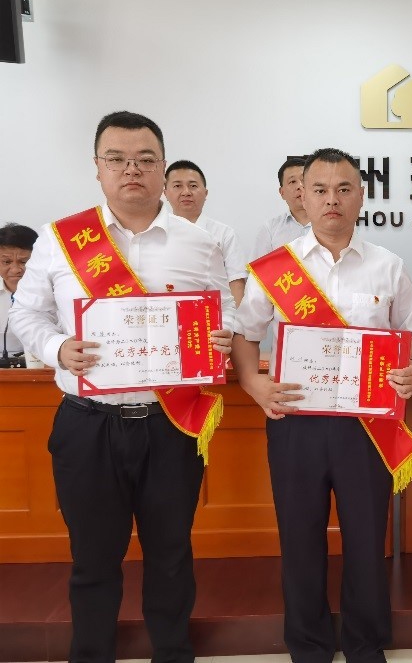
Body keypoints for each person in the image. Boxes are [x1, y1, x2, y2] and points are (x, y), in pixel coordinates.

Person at [9, 110, 235, 662]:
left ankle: (173, 652)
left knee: (171, 555)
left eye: (145, 159)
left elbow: (225, 313)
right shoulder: (61, 239)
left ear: (163, 167)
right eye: (117, 158)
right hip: (88, 424)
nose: (131, 169)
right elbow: (25, 314)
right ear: (98, 167)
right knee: (92, 558)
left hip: (171, 423)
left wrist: (222, 337)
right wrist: (56, 348)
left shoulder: (198, 243)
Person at [231, 148, 412, 663]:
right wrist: (253, 384)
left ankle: (365, 644)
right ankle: (309, 645)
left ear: (361, 196)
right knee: (300, 538)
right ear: (303, 194)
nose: (332, 199)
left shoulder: (387, 265)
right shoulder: (276, 268)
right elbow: (245, 334)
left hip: (366, 426)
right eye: (320, 189)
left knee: (366, 537)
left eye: (344, 189)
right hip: (295, 420)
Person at [165, 159, 248, 304]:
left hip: (216, 314)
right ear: (165, 193)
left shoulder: (224, 234)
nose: (186, 192)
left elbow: (236, 284)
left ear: (205, 193)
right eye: (177, 186)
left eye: (193, 186)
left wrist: (235, 318)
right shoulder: (155, 232)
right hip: (167, 312)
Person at [251, 157, 311, 259]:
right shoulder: (269, 230)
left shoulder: (331, 223)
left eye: (304, 180)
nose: (300, 186)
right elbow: (259, 268)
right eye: (292, 181)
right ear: (282, 192)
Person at [0, 222, 38, 358]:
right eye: (7, 262)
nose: (16, 270)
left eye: (24, 262)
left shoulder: (54, 294)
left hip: (45, 366)